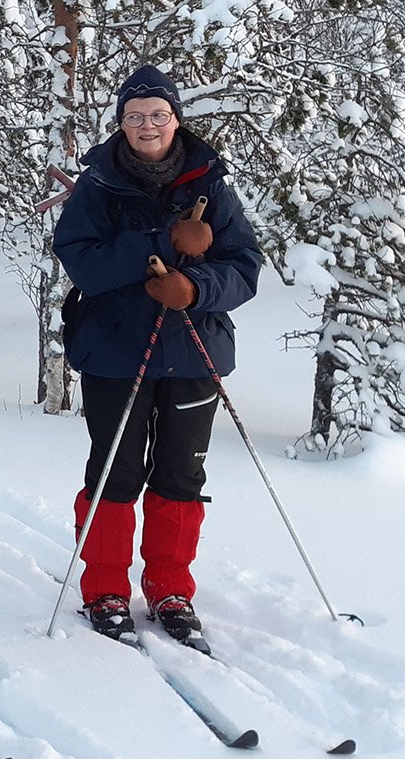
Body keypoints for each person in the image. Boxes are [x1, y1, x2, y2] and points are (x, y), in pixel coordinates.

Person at [53, 65, 262, 647]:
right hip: (116, 351)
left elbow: (244, 268)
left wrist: (194, 290)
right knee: (115, 473)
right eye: (135, 116)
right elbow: (84, 263)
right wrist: (159, 243)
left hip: (194, 351)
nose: (147, 125)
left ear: (176, 119)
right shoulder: (99, 184)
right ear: (120, 123)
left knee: (180, 474)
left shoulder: (209, 184)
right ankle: (105, 588)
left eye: (158, 115)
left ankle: (171, 588)